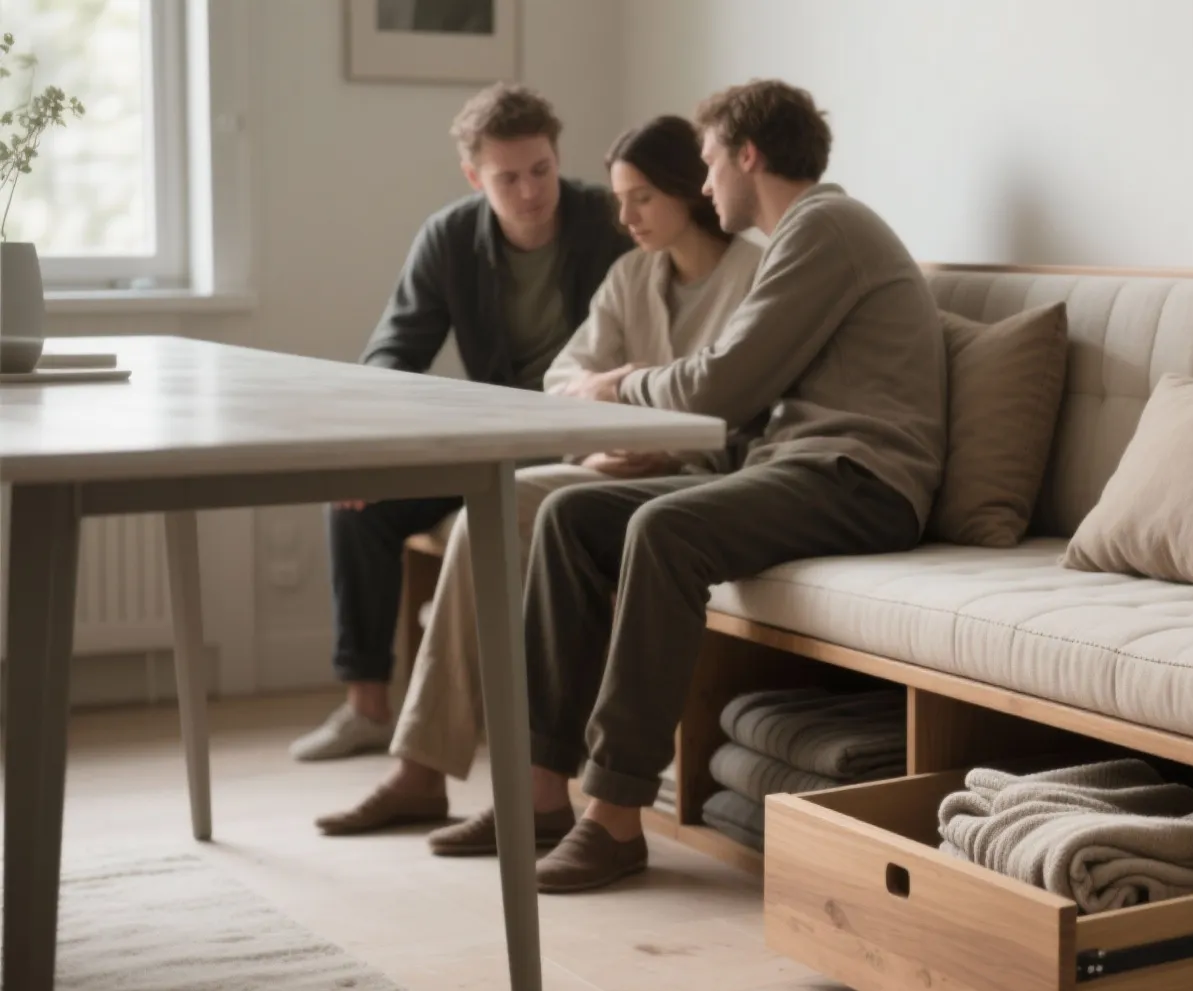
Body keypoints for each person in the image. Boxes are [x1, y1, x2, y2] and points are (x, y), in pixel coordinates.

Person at [434, 78, 947, 894]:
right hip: (794, 468)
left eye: (709, 163)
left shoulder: (827, 227)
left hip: (860, 481)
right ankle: (537, 796)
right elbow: (750, 395)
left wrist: (619, 385)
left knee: (663, 532)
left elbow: (722, 384)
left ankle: (613, 818)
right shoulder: (802, 237)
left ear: (748, 155)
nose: (704, 185)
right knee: (572, 515)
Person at [314, 115, 765, 843]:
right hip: (599, 465)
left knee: (511, 511)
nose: (624, 218)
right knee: (480, 516)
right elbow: (564, 377)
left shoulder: (754, 273)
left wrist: (626, 401)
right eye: (621, 199)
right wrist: (597, 450)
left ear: (688, 188)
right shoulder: (632, 273)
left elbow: (745, 401)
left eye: (641, 199)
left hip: (702, 476)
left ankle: (504, 789)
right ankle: (424, 771)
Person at [291, 83, 633, 763]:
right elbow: (394, 353)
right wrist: (367, 446)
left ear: (556, 156)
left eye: (542, 170)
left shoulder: (605, 223)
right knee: (357, 505)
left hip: (582, 443)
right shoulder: (449, 238)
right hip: (492, 442)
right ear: (475, 177)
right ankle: (367, 708)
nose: (532, 192)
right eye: (509, 178)